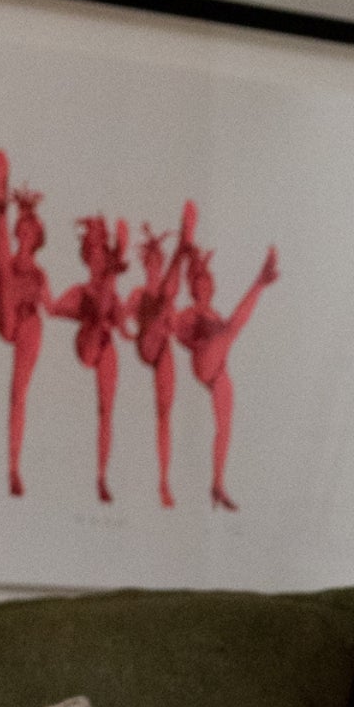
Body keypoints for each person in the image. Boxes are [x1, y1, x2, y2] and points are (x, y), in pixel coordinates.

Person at [173, 228, 279, 512]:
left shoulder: (214, 313)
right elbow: (179, 334)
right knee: (231, 329)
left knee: (224, 427)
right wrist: (193, 336)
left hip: (218, 368)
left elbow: (225, 338)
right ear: (194, 288)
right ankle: (260, 281)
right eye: (200, 283)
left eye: (208, 282)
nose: (205, 287)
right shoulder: (189, 312)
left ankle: (218, 485)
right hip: (203, 362)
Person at [52, 211, 132, 505]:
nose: (96, 260)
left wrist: (129, 326)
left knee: (106, 411)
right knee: (99, 308)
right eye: (94, 255)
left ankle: (101, 476)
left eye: (102, 255)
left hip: (105, 343)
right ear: (88, 258)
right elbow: (57, 307)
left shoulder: (110, 292)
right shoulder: (82, 290)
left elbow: (124, 327)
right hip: (87, 342)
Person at [126, 210, 192, 510]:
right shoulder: (140, 294)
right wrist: (129, 331)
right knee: (165, 297)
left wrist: (174, 328)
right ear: (146, 263)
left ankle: (164, 480)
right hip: (146, 343)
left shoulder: (165, 295)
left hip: (162, 346)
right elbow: (123, 318)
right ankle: (183, 244)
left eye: (158, 261)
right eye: (150, 261)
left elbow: (178, 329)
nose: (154, 264)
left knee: (164, 415)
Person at [0, 168, 49, 499]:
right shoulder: (3, 260)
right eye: (22, 224)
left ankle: (14, 469)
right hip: (4, 312)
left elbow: (55, 305)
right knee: (2, 268)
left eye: (31, 226)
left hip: (28, 324)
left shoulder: (40, 274)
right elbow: (1, 269)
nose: (26, 230)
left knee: (18, 395)